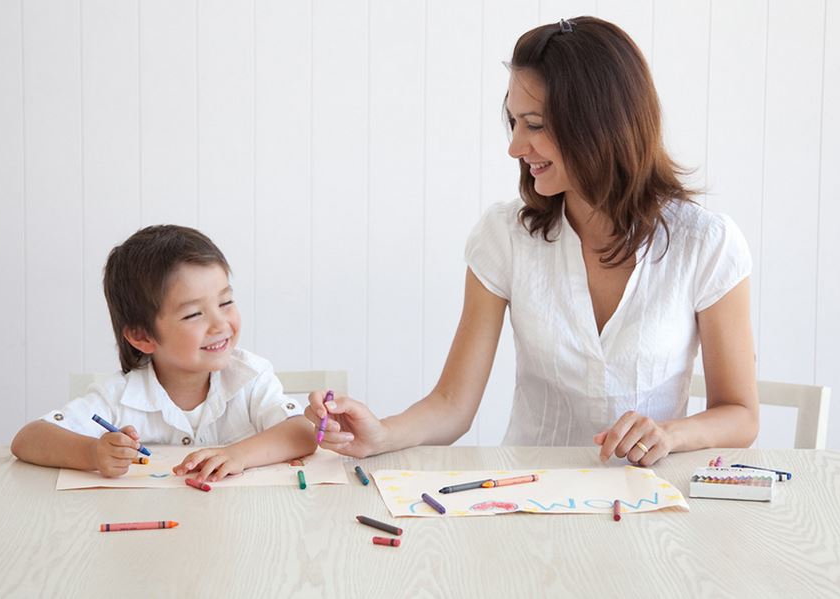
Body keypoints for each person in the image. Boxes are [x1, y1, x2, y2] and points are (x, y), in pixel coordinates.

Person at [307, 17, 758, 466]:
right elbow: (452, 404)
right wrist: (380, 435)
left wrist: (669, 434)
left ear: (601, 124)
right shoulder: (504, 237)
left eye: (535, 124)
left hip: (647, 502)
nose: (515, 146)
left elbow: (740, 415)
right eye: (513, 123)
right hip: (529, 496)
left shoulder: (706, 244)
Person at [11, 225, 315, 479]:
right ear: (142, 336)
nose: (220, 323)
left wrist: (238, 455)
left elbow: (302, 432)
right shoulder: (119, 397)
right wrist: (93, 452)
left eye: (225, 302)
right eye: (194, 314)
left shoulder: (249, 377)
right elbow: (28, 439)